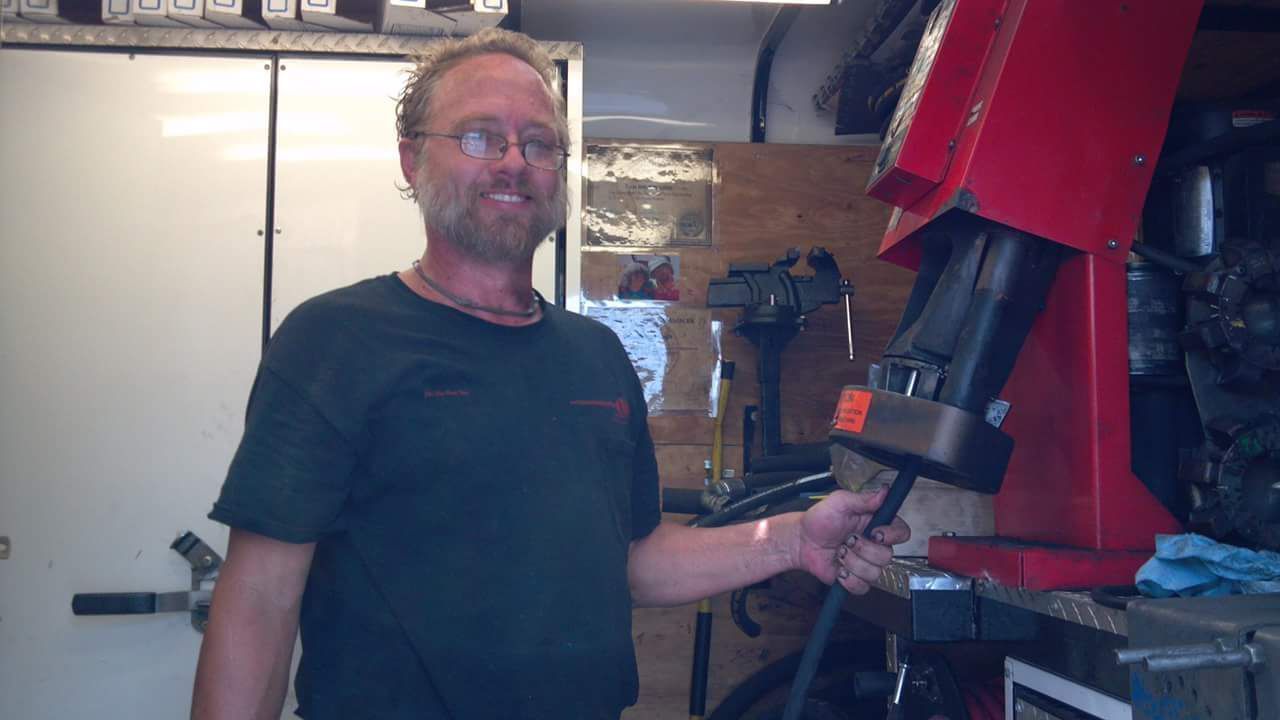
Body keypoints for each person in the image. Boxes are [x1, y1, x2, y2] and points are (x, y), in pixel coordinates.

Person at [191, 28, 909, 720]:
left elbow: (633, 560)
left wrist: (792, 539)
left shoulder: (594, 354)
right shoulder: (335, 341)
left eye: (538, 143)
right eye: (480, 136)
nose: (513, 161)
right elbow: (260, 598)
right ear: (411, 161)